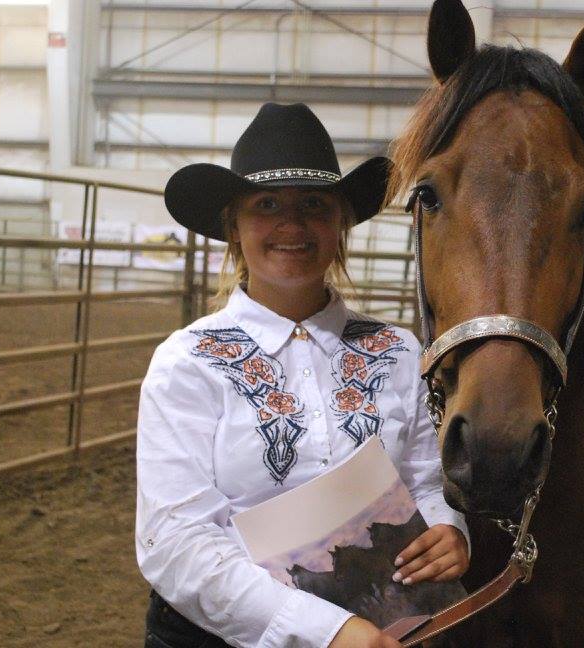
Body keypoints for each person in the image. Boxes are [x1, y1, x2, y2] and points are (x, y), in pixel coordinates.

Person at [136, 103, 469, 648]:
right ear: (234, 225)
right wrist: (327, 631)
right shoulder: (187, 362)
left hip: (389, 627)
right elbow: (175, 541)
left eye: (314, 204)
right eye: (267, 204)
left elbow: (426, 481)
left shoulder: (398, 351)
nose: (292, 224)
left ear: (340, 223)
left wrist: (449, 531)